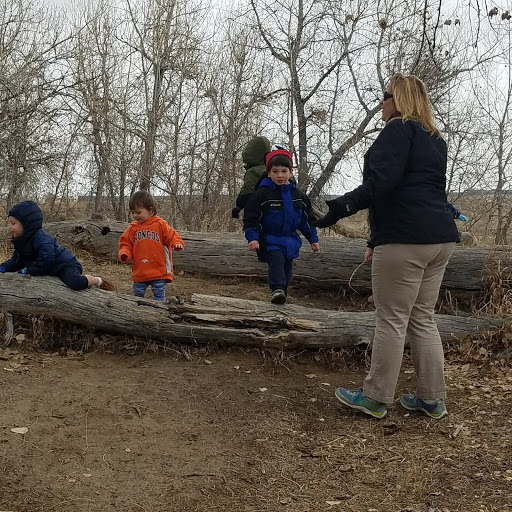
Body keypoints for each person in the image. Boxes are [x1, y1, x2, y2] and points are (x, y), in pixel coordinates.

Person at [315, 73, 460, 420]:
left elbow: (382, 185)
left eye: (385, 95)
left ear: (400, 99)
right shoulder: (434, 139)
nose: (381, 102)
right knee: (422, 317)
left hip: (405, 240)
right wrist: (373, 239)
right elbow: (409, 192)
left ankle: (376, 397)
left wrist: (340, 207)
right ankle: (432, 399)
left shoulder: (397, 131)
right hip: (440, 239)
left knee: (392, 319)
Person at [244, 148, 320, 304]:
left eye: (284, 171)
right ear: (268, 173)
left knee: (287, 269)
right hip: (270, 239)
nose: (280, 175)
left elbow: (306, 220)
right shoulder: (262, 195)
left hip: (291, 240)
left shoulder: (298, 196)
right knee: (276, 263)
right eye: (275, 171)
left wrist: (313, 239)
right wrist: (252, 238)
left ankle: (281, 293)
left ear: (291, 172)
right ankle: (277, 289)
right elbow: (251, 219)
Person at [0, 200, 115, 291]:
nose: (10, 227)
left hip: (65, 265)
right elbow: (16, 260)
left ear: (27, 225)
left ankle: (97, 280)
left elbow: (47, 260)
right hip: (51, 268)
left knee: (75, 283)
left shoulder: (42, 239)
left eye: (13, 223)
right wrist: (4, 267)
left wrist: (28, 271)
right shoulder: (21, 241)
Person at [119, 190, 184, 302]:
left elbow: (172, 235)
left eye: (138, 212)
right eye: (132, 212)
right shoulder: (132, 228)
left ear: (150, 210)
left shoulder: (160, 224)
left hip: (158, 269)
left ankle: (160, 312)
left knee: (159, 293)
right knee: (137, 295)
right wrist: (124, 253)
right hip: (141, 270)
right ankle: (137, 312)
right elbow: (126, 243)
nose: (135, 216)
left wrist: (176, 243)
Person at [231, 136, 271, 219]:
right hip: (276, 210)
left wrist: (238, 207)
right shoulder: (276, 168)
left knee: (253, 228)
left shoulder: (253, 171)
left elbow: (247, 192)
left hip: (257, 210)